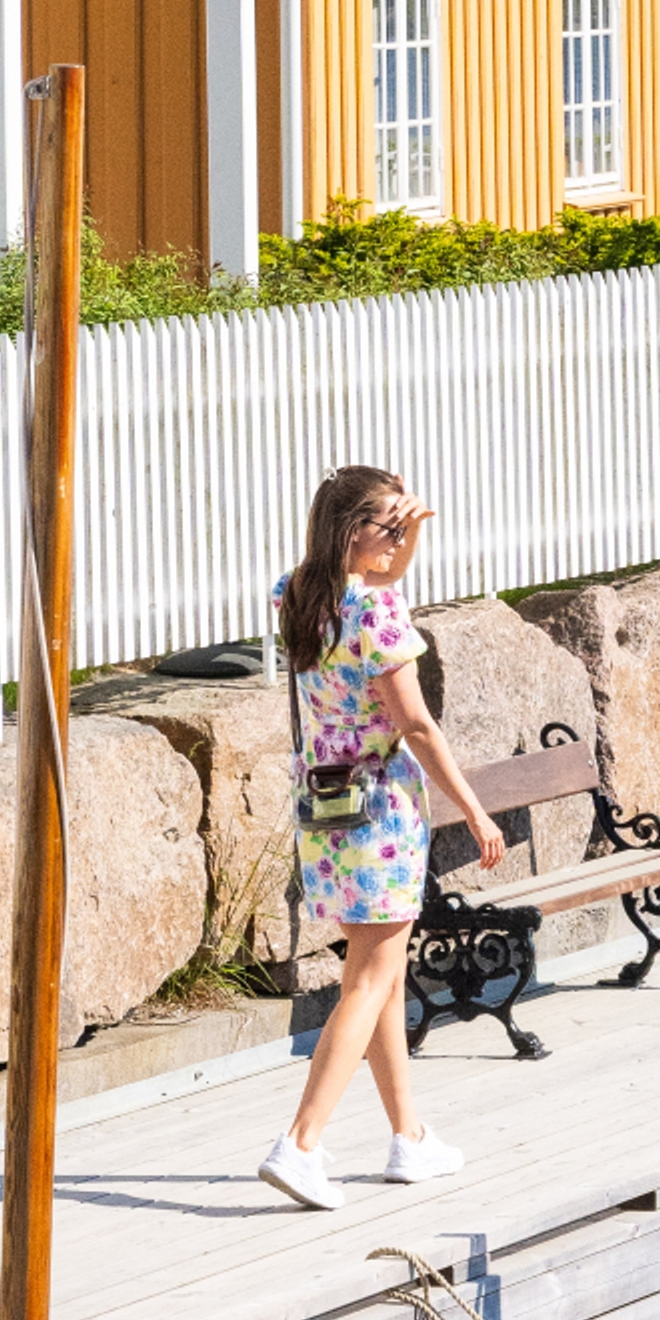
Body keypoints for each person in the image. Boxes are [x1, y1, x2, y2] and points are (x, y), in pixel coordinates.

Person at [258, 466, 499, 1211]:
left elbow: (380, 591)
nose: (399, 539)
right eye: (388, 526)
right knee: (367, 982)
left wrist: (406, 540)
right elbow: (418, 728)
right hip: (383, 815)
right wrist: (476, 809)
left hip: (328, 814)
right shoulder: (376, 619)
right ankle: (301, 1143)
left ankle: (409, 1139)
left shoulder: (295, 594)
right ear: (352, 531)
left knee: (384, 977)